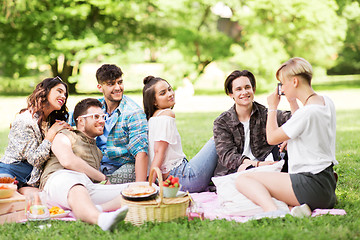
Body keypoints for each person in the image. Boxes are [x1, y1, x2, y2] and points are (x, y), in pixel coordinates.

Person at [235, 57, 338, 218]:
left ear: (295, 82)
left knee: (243, 180)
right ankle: (296, 208)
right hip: (326, 184)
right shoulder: (325, 102)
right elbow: (306, 126)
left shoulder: (306, 113)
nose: (281, 88)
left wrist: (272, 107)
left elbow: (271, 138)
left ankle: (273, 212)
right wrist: (292, 101)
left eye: (283, 83)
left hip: (310, 184)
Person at [40, 98, 129, 231]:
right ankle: (101, 219)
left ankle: (96, 210)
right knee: (76, 186)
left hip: (87, 187)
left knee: (138, 189)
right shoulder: (65, 135)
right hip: (59, 180)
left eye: (103, 116)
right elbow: (67, 161)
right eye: (96, 116)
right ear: (81, 120)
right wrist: (103, 178)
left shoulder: (98, 152)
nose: (102, 120)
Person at [143, 76, 218, 192]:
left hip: (178, 178)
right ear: (154, 101)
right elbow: (159, 152)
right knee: (218, 138)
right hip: (184, 179)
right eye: (163, 93)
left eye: (169, 89)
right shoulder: (167, 115)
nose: (170, 94)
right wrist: (150, 187)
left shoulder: (152, 119)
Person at [213, 70, 295, 177]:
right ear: (231, 94)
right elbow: (228, 156)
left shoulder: (266, 114)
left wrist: (290, 137)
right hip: (235, 172)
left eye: (247, 87)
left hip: (269, 169)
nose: (244, 92)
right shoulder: (222, 122)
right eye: (238, 89)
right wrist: (257, 164)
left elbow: (299, 119)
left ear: (253, 90)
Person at [0, 77, 72, 194]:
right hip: (11, 172)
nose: (63, 96)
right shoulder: (25, 120)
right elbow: (35, 159)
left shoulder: (51, 122)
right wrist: (51, 135)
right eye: (59, 91)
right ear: (45, 91)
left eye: (65, 94)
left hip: (31, 179)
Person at [95, 64, 148, 183]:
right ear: (100, 87)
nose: (118, 87)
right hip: (98, 163)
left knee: (105, 187)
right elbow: (74, 117)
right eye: (111, 84)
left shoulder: (133, 112)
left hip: (125, 165)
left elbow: (141, 152)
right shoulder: (96, 106)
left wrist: (141, 188)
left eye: (120, 82)